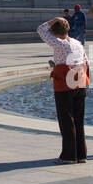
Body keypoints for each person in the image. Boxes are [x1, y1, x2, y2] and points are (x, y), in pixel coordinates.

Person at [37, 16, 89, 163]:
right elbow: (85, 60)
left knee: (66, 120)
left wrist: (54, 19)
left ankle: (68, 156)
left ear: (53, 32)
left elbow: (40, 30)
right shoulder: (77, 43)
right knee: (79, 119)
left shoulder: (58, 44)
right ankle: (81, 154)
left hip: (65, 84)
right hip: (80, 82)